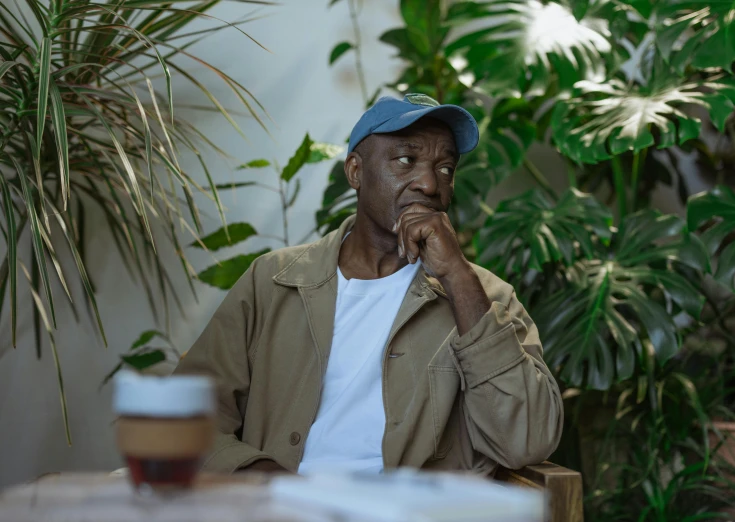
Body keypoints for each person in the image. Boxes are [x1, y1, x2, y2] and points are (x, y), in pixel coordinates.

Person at [174, 93, 563, 475]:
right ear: (356, 171)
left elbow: (526, 440)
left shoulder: (484, 298)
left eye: (445, 168)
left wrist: (458, 276)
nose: (429, 184)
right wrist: (262, 476)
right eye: (406, 160)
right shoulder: (274, 281)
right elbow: (186, 413)